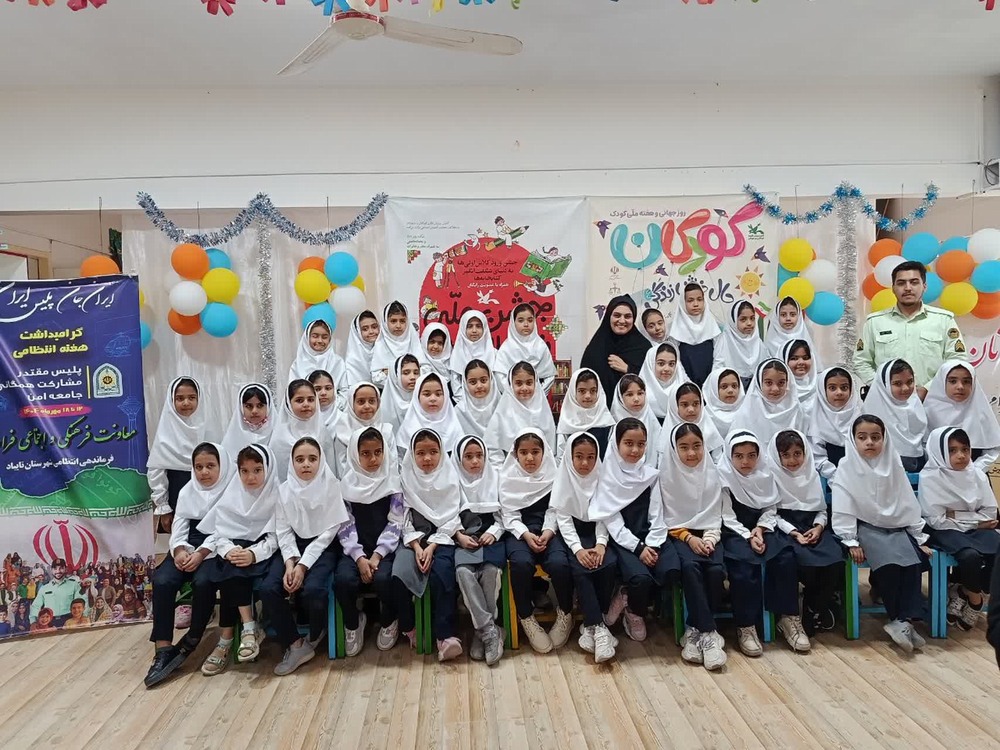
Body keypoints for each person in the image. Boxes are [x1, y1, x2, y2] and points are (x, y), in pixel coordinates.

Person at [832, 415, 932, 653]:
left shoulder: (893, 462)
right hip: (866, 528)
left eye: (876, 437)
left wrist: (919, 537)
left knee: (912, 562)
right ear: (853, 440)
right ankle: (899, 619)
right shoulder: (846, 466)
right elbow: (843, 506)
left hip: (897, 525)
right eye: (862, 437)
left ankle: (903, 622)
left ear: (884, 439)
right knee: (889, 564)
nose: (870, 442)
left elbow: (907, 501)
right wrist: (850, 541)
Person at [145, 442, 234, 688]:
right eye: (198, 467)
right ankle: (163, 649)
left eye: (210, 466)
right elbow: (180, 525)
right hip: (187, 545)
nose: (204, 472)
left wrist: (201, 553)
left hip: (215, 548)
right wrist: (179, 550)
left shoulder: (231, 491)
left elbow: (226, 530)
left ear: (222, 466)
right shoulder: (187, 490)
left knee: (204, 581)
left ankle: (193, 638)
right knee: (163, 580)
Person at [258, 438, 347, 675]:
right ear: (291, 462)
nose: (306, 464)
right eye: (299, 459)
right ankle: (295, 643)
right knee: (269, 588)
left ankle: (316, 633)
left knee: (314, 590)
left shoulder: (332, 487)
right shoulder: (284, 490)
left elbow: (329, 533)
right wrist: (290, 563)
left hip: (323, 547)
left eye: (312, 459)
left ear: (321, 460)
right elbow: (283, 530)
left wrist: (303, 565)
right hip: (292, 547)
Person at [719, 431, 808, 656]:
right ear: (729, 456)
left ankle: (788, 617)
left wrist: (760, 528)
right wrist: (748, 536)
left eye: (751, 455)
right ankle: (746, 625)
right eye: (738, 456)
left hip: (763, 529)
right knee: (743, 567)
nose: (745, 462)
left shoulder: (766, 475)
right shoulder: (723, 477)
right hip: (734, 532)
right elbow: (726, 516)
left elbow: (771, 508)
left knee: (785, 557)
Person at [591, 419, 678, 644]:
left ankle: (626, 597)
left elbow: (657, 514)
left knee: (672, 570)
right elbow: (612, 521)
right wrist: (639, 548)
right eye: (628, 443)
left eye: (641, 444)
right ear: (616, 444)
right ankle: (634, 611)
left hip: (651, 537)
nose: (635, 450)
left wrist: (653, 544)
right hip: (623, 540)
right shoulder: (606, 476)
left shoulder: (650, 476)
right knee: (640, 578)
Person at [197, 444, 279, 676]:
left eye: (257, 470)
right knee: (230, 568)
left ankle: (238, 634)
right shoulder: (232, 493)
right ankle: (248, 628)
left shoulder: (277, 494)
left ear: (268, 469)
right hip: (236, 553)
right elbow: (219, 533)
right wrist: (229, 550)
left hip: (265, 553)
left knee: (237, 569)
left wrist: (254, 554)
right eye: (244, 471)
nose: (250, 477)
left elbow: (277, 536)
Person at [500, 428, 574, 653]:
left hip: (550, 530)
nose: (530, 458)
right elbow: (508, 514)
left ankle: (565, 613)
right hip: (520, 532)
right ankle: (526, 618)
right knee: (521, 564)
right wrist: (525, 534)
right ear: (515, 454)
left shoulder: (555, 475)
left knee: (560, 564)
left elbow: (557, 508)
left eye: (535, 452)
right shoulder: (508, 477)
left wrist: (548, 531)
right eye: (523, 452)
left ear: (544, 452)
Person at [661, 423, 728, 670]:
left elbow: (716, 514)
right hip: (678, 535)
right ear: (674, 449)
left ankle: (693, 631)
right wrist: (690, 538)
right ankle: (709, 633)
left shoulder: (712, 474)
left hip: (711, 535)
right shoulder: (666, 476)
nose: (691, 453)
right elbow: (666, 518)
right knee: (690, 567)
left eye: (697, 446)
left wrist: (708, 539)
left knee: (715, 570)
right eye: (684, 447)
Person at [392, 430, 463, 661]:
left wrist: (432, 546)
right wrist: (417, 546)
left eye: (433, 452)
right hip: (412, 540)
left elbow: (453, 516)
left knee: (442, 574)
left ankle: (445, 636)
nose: (427, 458)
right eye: (420, 453)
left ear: (442, 453)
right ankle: (409, 627)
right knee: (399, 574)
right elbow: (401, 518)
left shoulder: (450, 477)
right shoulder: (404, 478)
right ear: (412, 455)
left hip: (442, 538)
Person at [920, 427, 999, 631]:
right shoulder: (930, 477)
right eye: (952, 450)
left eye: (965, 449)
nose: (961, 455)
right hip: (944, 532)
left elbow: (990, 512)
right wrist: (975, 521)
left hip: (977, 529)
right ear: (939, 452)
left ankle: (963, 591)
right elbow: (937, 520)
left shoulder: (977, 474)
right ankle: (975, 599)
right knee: (970, 557)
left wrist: (955, 515)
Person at [337, 427, 405, 655]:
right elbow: (344, 525)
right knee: (343, 580)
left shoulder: (393, 483)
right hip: (354, 551)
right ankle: (353, 622)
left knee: (386, 579)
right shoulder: (345, 486)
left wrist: (377, 555)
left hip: (385, 550)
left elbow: (396, 522)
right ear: (355, 455)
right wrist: (359, 558)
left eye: (378, 452)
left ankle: (389, 620)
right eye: (365, 453)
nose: (373, 459)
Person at [854, 260, 968, 395]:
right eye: (901, 283)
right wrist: (883, 387)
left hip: (933, 398)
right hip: (886, 399)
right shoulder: (875, 322)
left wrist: (928, 389)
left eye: (914, 282)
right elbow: (861, 361)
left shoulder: (943, 320)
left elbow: (957, 359)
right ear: (893, 288)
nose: (908, 288)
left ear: (924, 286)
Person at [769, 430, 842, 636]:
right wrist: (793, 532)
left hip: (812, 527)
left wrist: (818, 527)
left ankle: (813, 608)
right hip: (784, 529)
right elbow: (770, 513)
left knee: (835, 557)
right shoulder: (771, 477)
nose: (792, 460)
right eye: (786, 455)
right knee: (792, 559)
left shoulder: (812, 474)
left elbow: (821, 509)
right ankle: (789, 615)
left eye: (797, 454)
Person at [553, 432, 619, 662]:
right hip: (572, 537)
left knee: (609, 563)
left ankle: (592, 626)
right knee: (581, 569)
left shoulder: (602, 478)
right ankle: (599, 628)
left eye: (591, 457)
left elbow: (604, 514)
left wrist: (600, 544)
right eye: (579, 456)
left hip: (597, 533)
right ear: (570, 457)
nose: (584, 463)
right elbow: (563, 519)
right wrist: (578, 549)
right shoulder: (564, 478)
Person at [452, 436, 506, 665]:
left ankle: (481, 632)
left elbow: (505, 515)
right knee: (463, 572)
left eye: (479, 456)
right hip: (464, 539)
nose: (475, 461)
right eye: (468, 456)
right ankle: (490, 631)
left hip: (491, 539)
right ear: (459, 459)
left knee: (491, 572)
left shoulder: (496, 478)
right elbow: (447, 515)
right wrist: (459, 535)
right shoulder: (452, 481)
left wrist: (494, 532)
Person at [148, 376, 207, 533]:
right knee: (179, 538)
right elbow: (156, 472)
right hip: (176, 494)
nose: (186, 403)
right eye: (180, 398)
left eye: (191, 398)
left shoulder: (208, 429)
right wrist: (164, 507)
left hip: (206, 495)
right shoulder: (165, 435)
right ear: (171, 401)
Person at [924, 360, 1000, 472]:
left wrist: (975, 469)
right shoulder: (927, 412)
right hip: (937, 476)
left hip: (975, 475)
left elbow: (993, 449)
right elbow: (923, 447)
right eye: (953, 381)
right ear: (942, 382)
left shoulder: (981, 412)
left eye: (966, 382)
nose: (960, 386)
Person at [580, 295, 651, 406]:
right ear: (609, 316)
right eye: (617, 315)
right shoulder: (595, 349)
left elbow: (652, 383)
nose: (622, 321)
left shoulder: (644, 348)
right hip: (600, 411)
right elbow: (584, 383)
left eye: (627, 316)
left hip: (634, 411)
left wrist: (628, 369)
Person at [861, 359, 929, 472]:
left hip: (919, 466)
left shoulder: (916, 407)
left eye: (910, 382)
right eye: (897, 384)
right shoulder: (872, 417)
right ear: (885, 385)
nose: (906, 388)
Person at [485, 362, 556, 454]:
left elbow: (550, 449)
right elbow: (493, 448)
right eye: (519, 383)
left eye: (529, 383)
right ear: (511, 385)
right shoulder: (502, 414)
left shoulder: (544, 413)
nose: (524, 388)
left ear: (536, 383)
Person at [731, 359, 806, 445]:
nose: (775, 389)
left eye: (781, 383)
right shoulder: (746, 414)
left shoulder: (796, 410)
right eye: (769, 383)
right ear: (759, 383)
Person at [270, 380, 329, 482]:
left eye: (311, 400)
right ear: (288, 403)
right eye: (299, 400)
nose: (306, 404)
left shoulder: (323, 433)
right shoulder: (280, 439)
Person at [809, 367, 862, 480]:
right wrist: (837, 478)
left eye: (844, 388)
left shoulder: (860, 417)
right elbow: (818, 458)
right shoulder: (817, 420)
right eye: (832, 388)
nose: (839, 393)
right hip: (832, 478)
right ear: (823, 391)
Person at [334, 382, 396, 479]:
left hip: (385, 484)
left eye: (371, 401)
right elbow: (342, 469)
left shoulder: (386, 431)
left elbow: (392, 464)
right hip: (354, 485)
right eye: (361, 402)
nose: (367, 406)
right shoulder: (343, 432)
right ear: (351, 404)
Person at [493, 303, 557, 394]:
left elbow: (550, 376)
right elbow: (500, 376)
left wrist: (537, 394)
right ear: (513, 322)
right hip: (512, 399)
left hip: (537, 398)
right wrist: (513, 395)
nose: (526, 324)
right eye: (521, 320)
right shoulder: (506, 349)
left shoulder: (541, 346)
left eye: (530, 320)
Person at [397, 373, 463, 459]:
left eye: (438, 394)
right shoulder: (407, 428)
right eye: (427, 394)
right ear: (417, 396)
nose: (433, 399)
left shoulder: (454, 428)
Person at [658, 382, 723, 466]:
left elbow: (718, 462)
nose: (691, 409)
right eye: (685, 405)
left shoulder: (710, 431)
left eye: (696, 404)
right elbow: (663, 466)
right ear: (674, 405)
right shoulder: (667, 434)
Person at [555, 368, 615, 459]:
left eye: (593, 391)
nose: (587, 396)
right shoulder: (566, 421)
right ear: (573, 392)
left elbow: (611, 455)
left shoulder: (606, 421)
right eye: (582, 391)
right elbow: (561, 456)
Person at [668, 283, 720, 388]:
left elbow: (719, 358)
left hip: (711, 384)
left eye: (699, 299)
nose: (696, 304)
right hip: (685, 385)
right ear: (683, 303)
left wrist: (711, 382)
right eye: (690, 300)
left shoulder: (712, 328)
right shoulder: (675, 331)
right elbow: (676, 362)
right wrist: (687, 384)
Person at [288, 320, 348, 406]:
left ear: (330, 339)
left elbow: (344, 391)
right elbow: (292, 392)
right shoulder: (297, 364)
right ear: (307, 337)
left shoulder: (337, 362)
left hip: (334, 410)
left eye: (324, 337)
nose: (320, 340)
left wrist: (331, 406)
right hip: (305, 409)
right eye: (315, 336)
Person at [454, 359, 503, 466]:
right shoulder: (459, 411)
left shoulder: (502, 407)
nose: (479, 386)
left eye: (484, 380)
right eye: (473, 382)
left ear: (491, 380)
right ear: (465, 383)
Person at [712, 300, 763, 389]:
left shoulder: (758, 342)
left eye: (752, 318)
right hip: (730, 388)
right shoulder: (724, 341)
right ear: (733, 321)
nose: (749, 323)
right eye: (743, 319)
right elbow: (717, 369)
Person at [370, 301, 423, 387]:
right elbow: (376, 378)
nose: (398, 326)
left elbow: (425, 370)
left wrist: (390, 372)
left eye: (402, 321)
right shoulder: (380, 346)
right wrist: (411, 373)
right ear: (385, 322)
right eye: (393, 321)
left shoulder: (414, 342)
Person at [763, 297, 822, 371]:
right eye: (783, 315)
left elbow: (815, 370)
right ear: (776, 317)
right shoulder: (769, 343)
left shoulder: (806, 340)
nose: (788, 318)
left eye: (792, 314)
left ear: (799, 316)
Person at [29, 558, 91, 627]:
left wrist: (84, 617)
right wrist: (33, 622)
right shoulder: (44, 588)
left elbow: (82, 601)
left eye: (61, 568)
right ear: (51, 570)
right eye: (55, 568)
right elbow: (36, 606)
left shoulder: (73, 585)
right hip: (49, 622)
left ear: (65, 569)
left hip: (70, 620)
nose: (58, 571)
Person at [611, 374, 661, 459]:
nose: (636, 399)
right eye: (630, 394)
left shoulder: (652, 421)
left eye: (640, 393)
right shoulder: (612, 423)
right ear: (620, 398)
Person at [450, 311, 497, 398]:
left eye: (478, 326)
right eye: (470, 326)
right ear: (463, 328)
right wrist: (465, 403)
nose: (474, 330)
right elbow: (456, 384)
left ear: (484, 328)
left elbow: (497, 383)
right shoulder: (456, 354)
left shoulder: (494, 354)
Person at [640, 341, 689, 420]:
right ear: (651, 364)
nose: (666, 369)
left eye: (671, 364)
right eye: (661, 364)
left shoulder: (686, 391)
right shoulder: (640, 393)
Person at [222, 383, 274, 457]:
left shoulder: (277, 433)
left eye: (260, 405)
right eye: (249, 406)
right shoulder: (232, 437)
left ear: (268, 407)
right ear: (241, 408)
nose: (254, 411)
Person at [380, 354, 421, 432]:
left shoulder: (423, 401)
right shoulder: (385, 408)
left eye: (416, 373)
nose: (413, 377)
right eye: (406, 373)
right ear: (395, 376)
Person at [703, 368, 746, 438]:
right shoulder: (704, 416)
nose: (730, 390)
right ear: (713, 390)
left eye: (734, 386)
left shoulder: (748, 412)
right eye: (724, 386)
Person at [345, 310, 381, 386]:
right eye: (365, 329)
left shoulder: (385, 349)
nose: (371, 331)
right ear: (357, 332)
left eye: (374, 327)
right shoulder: (352, 359)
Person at [783, 340, 818, 415]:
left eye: (805, 358)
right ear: (784, 360)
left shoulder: (821, 387)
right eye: (794, 358)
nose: (801, 362)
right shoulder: (779, 390)